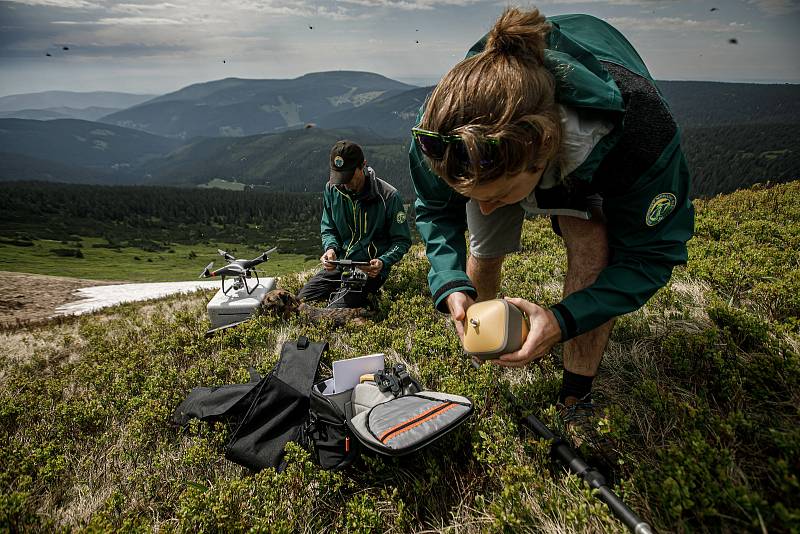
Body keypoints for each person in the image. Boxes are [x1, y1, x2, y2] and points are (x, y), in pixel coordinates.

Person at [409, 9, 694, 429]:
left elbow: (649, 254)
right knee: (484, 245)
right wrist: (451, 282)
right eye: (474, 197)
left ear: (543, 152)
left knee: (592, 246)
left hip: (592, 148)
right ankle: (487, 351)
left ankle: (576, 393)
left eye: (501, 195)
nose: (484, 209)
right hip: (515, 149)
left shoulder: (638, 135)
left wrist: (561, 321)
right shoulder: (446, 132)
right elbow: (436, 208)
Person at [299, 140, 411, 308]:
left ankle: (366, 302)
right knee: (302, 299)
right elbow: (328, 227)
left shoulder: (388, 196)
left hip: (369, 270)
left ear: (363, 165)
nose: (344, 183)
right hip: (341, 265)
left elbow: (402, 241)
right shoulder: (332, 189)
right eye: (339, 176)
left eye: (349, 176)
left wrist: (383, 261)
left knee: (334, 310)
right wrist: (330, 249)